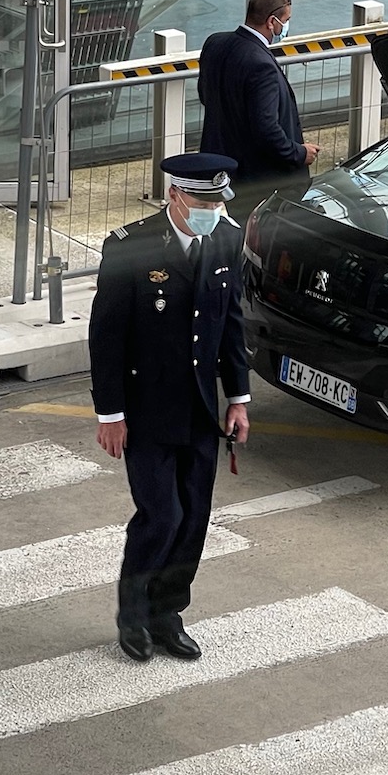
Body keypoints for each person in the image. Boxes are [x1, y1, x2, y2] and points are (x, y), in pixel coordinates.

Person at [89, 151, 252, 663]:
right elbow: (107, 337)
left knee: (194, 518)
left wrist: (239, 399)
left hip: (201, 409)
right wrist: (110, 414)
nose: (213, 210)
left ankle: (167, 614)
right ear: (175, 196)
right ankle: (133, 615)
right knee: (162, 516)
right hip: (146, 410)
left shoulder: (226, 237)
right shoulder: (130, 247)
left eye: (217, 201)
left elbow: (229, 323)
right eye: (203, 201)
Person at [197, 0, 320, 224]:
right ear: (272, 22)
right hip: (259, 178)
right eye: (286, 20)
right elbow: (266, 128)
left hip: (225, 168)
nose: (286, 27)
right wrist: (299, 152)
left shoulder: (214, 43)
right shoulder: (260, 63)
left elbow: (206, 96)